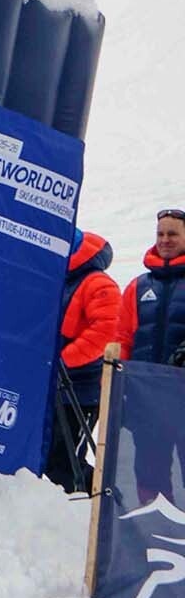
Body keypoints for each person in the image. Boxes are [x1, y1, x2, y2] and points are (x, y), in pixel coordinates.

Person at [118, 208, 185, 503]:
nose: (165, 240)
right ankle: (155, 535)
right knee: (149, 472)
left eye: (173, 234)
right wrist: (118, 386)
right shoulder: (137, 286)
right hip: (147, 400)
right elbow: (121, 340)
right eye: (160, 234)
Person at [46, 230, 118, 493]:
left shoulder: (98, 284)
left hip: (82, 389)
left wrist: (64, 360)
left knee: (64, 462)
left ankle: (103, 498)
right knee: (50, 458)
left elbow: (106, 332)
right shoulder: (58, 281)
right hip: (54, 384)